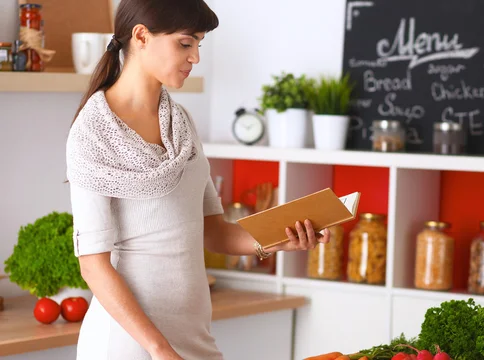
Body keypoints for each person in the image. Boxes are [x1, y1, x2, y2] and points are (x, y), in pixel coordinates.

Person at [65, 0, 331, 359]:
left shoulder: (181, 124)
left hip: (193, 335)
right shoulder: (93, 133)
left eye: (198, 45)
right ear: (141, 36)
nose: (196, 58)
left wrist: (278, 240)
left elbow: (213, 231)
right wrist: (160, 350)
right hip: (130, 343)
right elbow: (92, 266)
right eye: (186, 43)